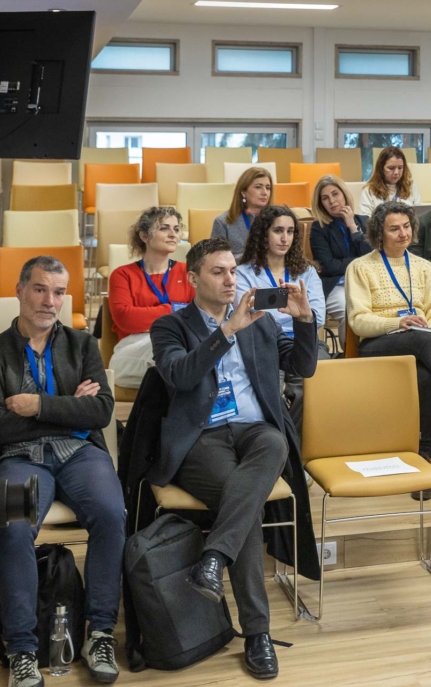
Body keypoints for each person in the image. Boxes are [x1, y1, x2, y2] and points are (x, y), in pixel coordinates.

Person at [150, 237, 318, 681]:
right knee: (241, 501)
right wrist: (226, 332)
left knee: (276, 443)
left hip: (254, 431)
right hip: (202, 439)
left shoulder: (261, 321)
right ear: (192, 278)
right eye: (218, 272)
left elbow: (303, 367)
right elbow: (181, 375)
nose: (230, 280)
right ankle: (258, 633)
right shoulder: (170, 326)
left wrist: (304, 321)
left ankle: (214, 560)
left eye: (232, 271)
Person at [0, 256, 123, 687]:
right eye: (39, 289)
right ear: (19, 290)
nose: (49, 301)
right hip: (18, 456)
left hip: (79, 452)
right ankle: (21, 648)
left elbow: (101, 411)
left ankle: (100, 633)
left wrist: (37, 405)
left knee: (111, 514)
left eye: (58, 292)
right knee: (16, 526)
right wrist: (72, 410)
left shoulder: (82, 345)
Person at [345, 201, 431, 498]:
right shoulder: (360, 267)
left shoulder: (425, 267)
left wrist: (429, 331)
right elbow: (359, 320)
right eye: (394, 229)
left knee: (426, 374)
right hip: (378, 343)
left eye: (406, 227)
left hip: (421, 342)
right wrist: (397, 323)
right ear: (379, 233)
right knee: (420, 342)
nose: (403, 234)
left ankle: (423, 455)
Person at [236, 205, 328, 428]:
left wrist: (292, 315)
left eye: (290, 231)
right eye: (278, 231)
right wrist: (296, 315)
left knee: (313, 386)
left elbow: (318, 316)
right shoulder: (242, 273)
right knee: (271, 393)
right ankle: (284, 439)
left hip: (304, 341)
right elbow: (247, 316)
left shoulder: (307, 271)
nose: (285, 238)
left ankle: (297, 441)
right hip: (265, 343)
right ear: (263, 234)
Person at [108, 206, 194, 388]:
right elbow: (126, 318)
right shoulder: (122, 275)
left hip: (178, 344)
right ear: (144, 236)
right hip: (132, 349)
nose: (173, 234)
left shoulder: (188, 272)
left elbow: (197, 314)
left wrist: (152, 316)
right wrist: (175, 309)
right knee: (177, 355)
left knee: (182, 359)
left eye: (176, 229)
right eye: (164, 228)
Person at [308, 175, 372, 345]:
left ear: (344, 194)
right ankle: (350, 355)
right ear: (321, 203)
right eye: (325, 198)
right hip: (336, 285)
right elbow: (327, 266)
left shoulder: (363, 221)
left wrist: (352, 227)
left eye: (335, 194)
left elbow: (372, 258)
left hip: (365, 283)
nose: (332, 201)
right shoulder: (319, 228)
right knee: (349, 311)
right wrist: (359, 263)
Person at [212, 166, 275, 257]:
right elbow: (217, 258)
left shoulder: (277, 219)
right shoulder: (223, 222)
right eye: (258, 187)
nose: (265, 192)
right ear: (243, 192)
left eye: (268, 188)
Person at [359, 147, 421, 214]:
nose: (396, 172)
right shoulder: (369, 190)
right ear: (381, 168)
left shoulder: (411, 186)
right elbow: (365, 218)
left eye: (400, 168)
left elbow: (419, 214)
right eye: (391, 168)